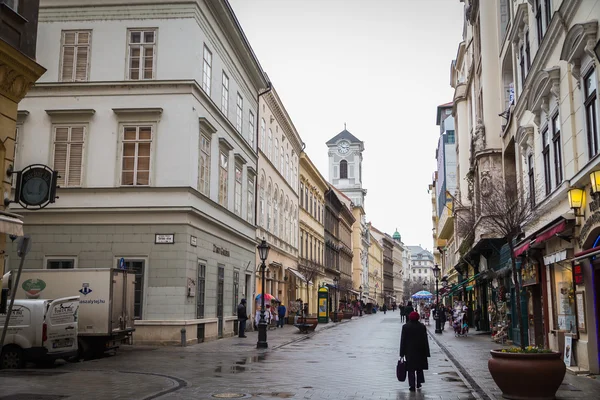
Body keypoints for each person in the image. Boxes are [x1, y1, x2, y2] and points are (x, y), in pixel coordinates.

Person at [400, 311, 431, 392]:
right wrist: (427, 352)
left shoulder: (405, 327)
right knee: (419, 368)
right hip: (420, 350)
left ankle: (412, 385)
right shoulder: (422, 326)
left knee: (411, 369)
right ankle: (419, 382)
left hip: (409, 351)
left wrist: (402, 353)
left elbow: (403, 340)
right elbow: (425, 340)